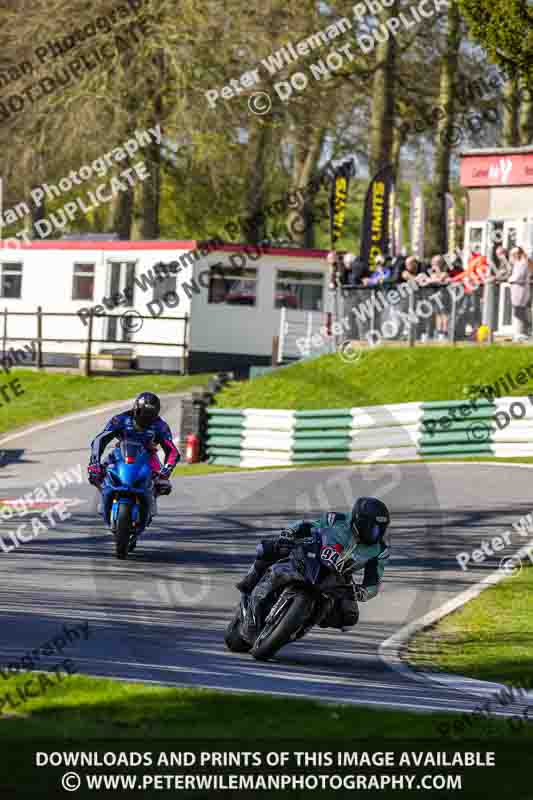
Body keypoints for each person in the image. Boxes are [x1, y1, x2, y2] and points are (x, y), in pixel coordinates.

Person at [236, 497, 391, 645]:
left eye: (380, 529)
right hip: (312, 556)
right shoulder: (335, 519)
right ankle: (249, 583)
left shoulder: (380, 550)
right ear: (359, 521)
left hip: (338, 577)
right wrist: (289, 534)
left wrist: (362, 592)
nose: (375, 533)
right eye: (372, 528)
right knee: (269, 548)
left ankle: (298, 626)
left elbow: (373, 581)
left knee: (349, 617)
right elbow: (309, 526)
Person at [87, 393, 180, 541]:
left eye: (151, 414)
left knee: (162, 484)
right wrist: (94, 462)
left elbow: (172, 451)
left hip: (149, 457)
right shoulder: (121, 419)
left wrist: (165, 472)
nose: (146, 418)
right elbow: (100, 439)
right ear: (136, 409)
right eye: (143, 413)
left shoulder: (160, 425)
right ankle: (104, 495)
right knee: (96, 474)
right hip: (120, 455)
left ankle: (150, 505)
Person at [509, 246, 531, 342]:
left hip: (521, 290)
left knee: (520, 312)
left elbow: (519, 276)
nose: (513, 256)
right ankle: (522, 332)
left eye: (514, 254)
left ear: (519, 254)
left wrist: (510, 279)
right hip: (517, 290)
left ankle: (522, 332)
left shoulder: (523, 263)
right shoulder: (518, 263)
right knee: (518, 312)